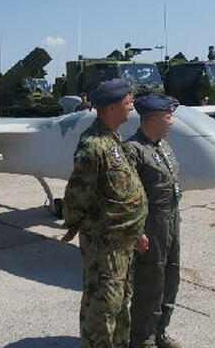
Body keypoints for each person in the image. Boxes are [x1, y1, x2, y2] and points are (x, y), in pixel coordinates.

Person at [61, 78, 148, 348]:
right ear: (111, 108)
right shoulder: (93, 146)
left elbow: (120, 191)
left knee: (121, 303)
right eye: (127, 101)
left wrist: (136, 231)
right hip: (104, 243)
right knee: (102, 308)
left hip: (122, 240)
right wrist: (74, 224)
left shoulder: (113, 138)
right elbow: (77, 194)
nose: (131, 105)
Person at [124, 94, 182, 348]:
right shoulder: (133, 150)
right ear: (154, 119)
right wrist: (137, 231)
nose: (171, 122)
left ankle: (160, 332)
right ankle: (142, 339)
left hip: (171, 221)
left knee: (171, 275)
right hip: (150, 224)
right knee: (150, 282)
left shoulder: (163, 146)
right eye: (168, 117)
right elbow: (126, 197)